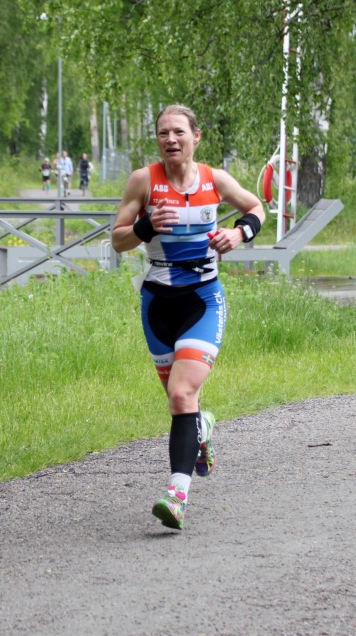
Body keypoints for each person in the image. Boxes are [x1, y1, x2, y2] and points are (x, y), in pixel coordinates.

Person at [111, 104, 265, 531]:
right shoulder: (144, 181)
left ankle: (176, 495)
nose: (171, 140)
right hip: (157, 306)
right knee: (181, 402)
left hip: (203, 300)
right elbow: (118, 241)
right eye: (163, 133)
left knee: (181, 395)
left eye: (179, 132)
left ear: (197, 136)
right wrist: (145, 228)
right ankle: (203, 427)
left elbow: (256, 208)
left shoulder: (215, 180)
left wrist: (238, 233)